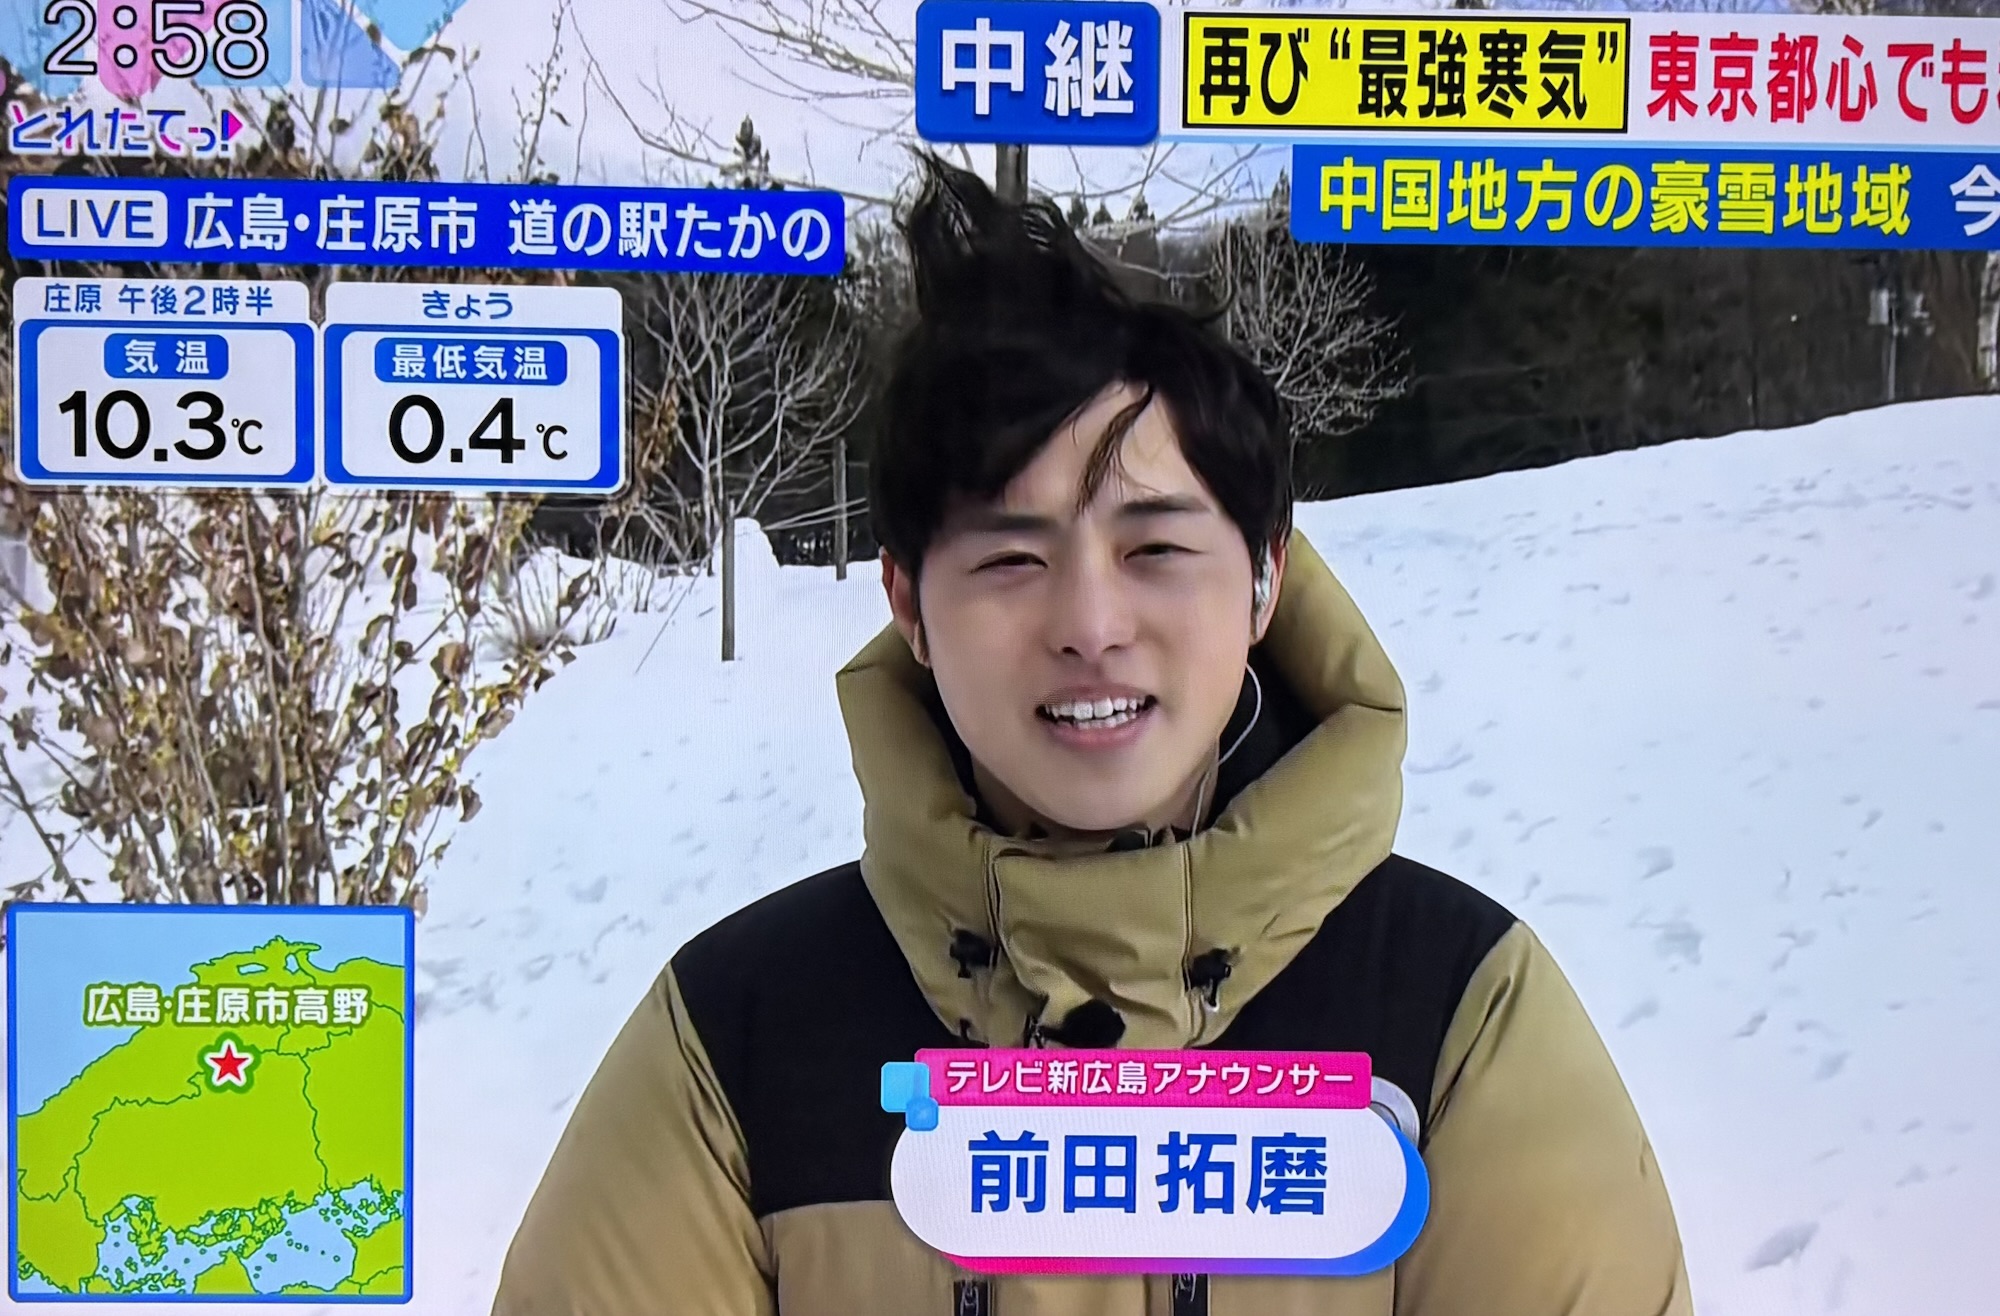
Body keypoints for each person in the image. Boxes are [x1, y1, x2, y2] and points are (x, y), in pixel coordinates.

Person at [492, 156, 1691, 1316]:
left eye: (1155, 548)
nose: (1088, 624)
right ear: (907, 601)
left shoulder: (1457, 1017)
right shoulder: (734, 1047)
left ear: (1263, 580)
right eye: (1011, 558)